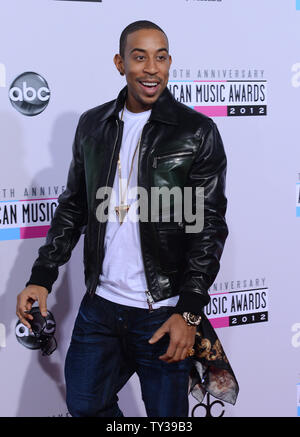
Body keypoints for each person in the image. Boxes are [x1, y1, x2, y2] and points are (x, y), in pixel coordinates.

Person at [16, 20, 237, 417]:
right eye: (140, 57)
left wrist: (188, 312)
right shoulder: (93, 125)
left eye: (161, 56)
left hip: (164, 311)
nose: (152, 68)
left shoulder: (197, 132)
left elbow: (208, 228)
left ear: (169, 62)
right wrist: (41, 276)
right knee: (85, 405)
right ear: (120, 63)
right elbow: (73, 207)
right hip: (100, 306)